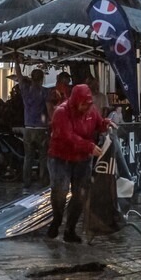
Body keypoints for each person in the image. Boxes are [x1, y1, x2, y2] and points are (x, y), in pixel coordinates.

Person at [46, 84, 113, 243]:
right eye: (83, 104)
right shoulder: (61, 112)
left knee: (81, 194)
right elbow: (67, 136)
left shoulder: (91, 110)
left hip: (82, 158)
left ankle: (70, 229)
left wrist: (105, 124)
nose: (85, 108)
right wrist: (89, 146)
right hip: (61, 157)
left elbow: (98, 124)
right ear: (75, 101)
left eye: (88, 105)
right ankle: (57, 219)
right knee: (60, 190)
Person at [15, 65, 49, 189]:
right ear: (42, 78)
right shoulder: (45, 92)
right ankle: (42, 180)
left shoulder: (25, 90)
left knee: (28, 157)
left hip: (28, 127)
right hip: (41, 128)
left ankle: (26, 181)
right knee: (43, 156)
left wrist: (16, 62)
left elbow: (19, 76)